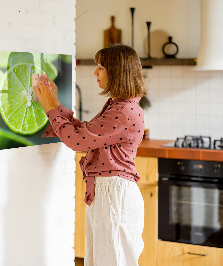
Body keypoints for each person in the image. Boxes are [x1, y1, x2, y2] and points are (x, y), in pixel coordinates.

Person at [34, 44, 146, 266]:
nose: (95, 72)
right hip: (109, 194)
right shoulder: (119, 106)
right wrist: (55, 103)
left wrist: (49, 108)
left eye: (101, 67)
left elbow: (77, 141)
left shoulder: (123, 111)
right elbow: (85, 133)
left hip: (114, 196)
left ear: (117, 72)